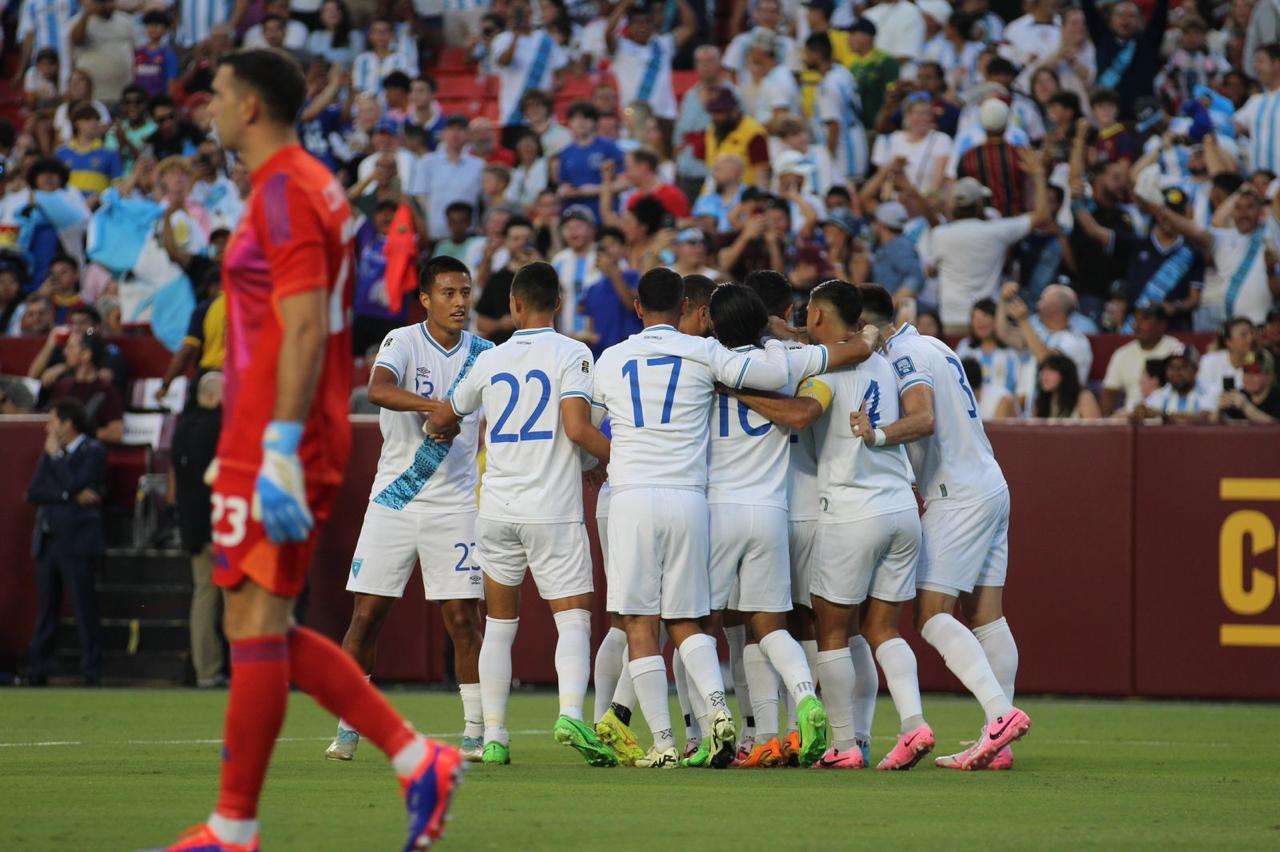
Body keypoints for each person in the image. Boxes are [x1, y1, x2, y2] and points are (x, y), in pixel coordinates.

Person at [163, 49, 460, 852]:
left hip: (279, 434)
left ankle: (237, 825)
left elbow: (300, 325)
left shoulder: (290, 187)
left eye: (219, 95)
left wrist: (282, 444)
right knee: (252, 621)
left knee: (257, 618)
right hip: (265, 430)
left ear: (251, 105)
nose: (210, 109)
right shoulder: (304, 184)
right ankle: (409, 758)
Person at [589, 268, 799, 768]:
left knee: (640, 623)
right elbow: (773, 375)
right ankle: (719, 711)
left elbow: (580, 423)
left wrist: (610, 460)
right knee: (686, 619)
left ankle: (663, 742)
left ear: (637, 308)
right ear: (684, 303)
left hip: (633, 497)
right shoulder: (705, 353)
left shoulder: (612, 357)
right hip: (689, 499)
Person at [731, 279, 932, 770]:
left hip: (850, 511)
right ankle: (911, 724)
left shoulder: (826, 375)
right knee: (882, 628)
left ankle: (843, 744)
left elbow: (802, 414)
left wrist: (740, 392)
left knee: (833, 633)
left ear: (819, 315)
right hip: (902, 510)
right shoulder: (882, 361)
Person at [421, 261, 614, 766]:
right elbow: (577, 427)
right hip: (551, 507)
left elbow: (445, 413)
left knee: (500, 624)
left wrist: (438, 428)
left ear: (514, 304)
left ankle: (494, 737)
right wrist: (608, 459)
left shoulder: (488, 358)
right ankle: (571, 711)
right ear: (559, 304)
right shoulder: (573, 352)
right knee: (573, 617)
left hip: (496, 509)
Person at [326, 255, 491, 766]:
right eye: (448, 292)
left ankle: (476, 732)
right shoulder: (402, 341)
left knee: (464, 619)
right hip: (393, 500)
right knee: (368, 616)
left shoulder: (485, 354)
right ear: (425, 299)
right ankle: (349, 724)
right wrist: (436, 409)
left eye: (465, 291)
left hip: (456, 504)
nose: (459, 301)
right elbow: (376, 389)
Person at [861, 283, 1030, 771]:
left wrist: (876, 434)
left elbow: (923, 418)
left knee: (932, 614)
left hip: (956, 494)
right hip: (990, 483)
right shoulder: (934, 344)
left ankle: (999, 715)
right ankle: (1000, 741)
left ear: (870, 328)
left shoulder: (904, 354)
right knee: (987, 616)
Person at [924, 149, 1051, 334]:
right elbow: (1042, 216)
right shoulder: (996, 231)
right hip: (988, 321)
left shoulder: (939, 235)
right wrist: (1038, 174)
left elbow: (930, 271)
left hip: (951, 319)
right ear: (978, 205)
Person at [25, 397, 106, 687]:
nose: (48, 427)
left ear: (68, 424)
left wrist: (58, 462)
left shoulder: (93, 450)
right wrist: (67, 495)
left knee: (85, 608)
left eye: (53, 421)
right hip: (49, 541)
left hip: (78, 541)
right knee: (46, 609)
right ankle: (37, 670)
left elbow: (76, 481)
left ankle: (92, 672)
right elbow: (34, 492)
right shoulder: (53, 452)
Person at [1153, 186, 1280, 330]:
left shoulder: (1273, 236)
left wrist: (1270, 271)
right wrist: (1159, 208)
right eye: (1238, 208)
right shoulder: (1222, 239)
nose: (1243, 214)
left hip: (1263, 329)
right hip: (1232, 330)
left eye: (1250, 207)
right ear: (1232, 213)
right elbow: (1192, 230)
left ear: (1260, 211)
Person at [173, 371, 227, 687]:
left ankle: (206, 669)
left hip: (192, 525)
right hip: (221, 524)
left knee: (204, 594)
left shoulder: (182, 428)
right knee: (234, 596)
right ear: (213, 395)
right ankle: (242, 666)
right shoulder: (220, 426)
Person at [604, 0, 696, 124]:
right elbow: (608, 33)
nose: (643, 27)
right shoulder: (621, 48)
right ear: (628, 27)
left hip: (665, 117)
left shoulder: (664, 44)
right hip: (633, 118)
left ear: (653, 25)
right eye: (638, 23)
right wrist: (624, 5)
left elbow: (689, 27)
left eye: (647, 22)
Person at [493, 0, 568, 131]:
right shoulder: (502, 39)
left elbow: (561, 74)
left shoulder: (546, 40)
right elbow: (504, 62)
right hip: (513, 112)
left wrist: (551, 90)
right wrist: (515, 36)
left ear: (531, 11)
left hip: (542, 114)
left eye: (524, 7)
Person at [409, 115, 485, 243]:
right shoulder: (427, 162)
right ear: (443, 134)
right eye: (451, 129)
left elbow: (483, 199)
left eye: (461, 130)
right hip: (436, 233)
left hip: (468, 234)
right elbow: (419, 197)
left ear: (468, 135)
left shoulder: (479, 165)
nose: (455, 134)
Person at [1100, 305, 1187, 415]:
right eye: (1135, 320)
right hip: (1130, 417)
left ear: (1162, 325)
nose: (1137, 326)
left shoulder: (1177, 350)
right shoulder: (1122, 354)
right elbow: (1109, 392)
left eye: (1145, 319)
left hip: (1167, 416)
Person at [555, 102, 625, 223]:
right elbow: (562, 185)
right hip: (575, 216)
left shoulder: (608, 146)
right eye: (576, 118)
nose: (581, 122)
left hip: (603, 214)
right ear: (569, 123)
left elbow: (625, 182)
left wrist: (596, 189)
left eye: (586, 118)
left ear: (595, 122)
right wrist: (564, 191)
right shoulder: (566, 153)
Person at [1134, 351, 1215, 422]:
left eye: (1182, 367)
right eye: (1171, 367)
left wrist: (1164, 416)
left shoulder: (1208, 391)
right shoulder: (1163, 392)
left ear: (1195, 370)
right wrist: (1142, 411)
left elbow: (1204, 418)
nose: (1175, 373)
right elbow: (1145, 411)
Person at [1198, 317, 1257, 405]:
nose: (1250, 339)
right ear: (1228, 342)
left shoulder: (1259, 362)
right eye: (1244, 335)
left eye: (1252, 333)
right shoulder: (1209, 361)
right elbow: (1202, 395)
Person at [1032, 353, 1101, 419]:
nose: (1044, 376)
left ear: (1065, 374)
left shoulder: (1083, 397)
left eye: (1051, 370)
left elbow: (1095, 429)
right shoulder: (1041, 401)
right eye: (1042, 371)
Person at [1217, 350, 1280, 423]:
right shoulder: (1240, 395)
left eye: (1255, 372)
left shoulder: (1276, 398)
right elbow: (1216, 424)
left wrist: (1246, 407)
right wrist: (1219, 411)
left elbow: (1275, 427)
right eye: (1246, 371)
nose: (1249, 377)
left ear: (1269, 376)